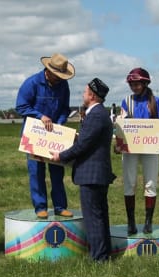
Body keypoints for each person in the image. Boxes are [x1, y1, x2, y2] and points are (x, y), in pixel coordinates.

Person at [51, 78, 116, 262]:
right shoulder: (99, 114)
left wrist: (60, 156)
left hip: (92, 175)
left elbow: (82, 146)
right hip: (97, 174)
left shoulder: (95, 115)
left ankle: (99, 258)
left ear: (92, 95)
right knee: (100, 216)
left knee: (93, 218)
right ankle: (104, 253)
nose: (82, 94)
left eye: (85, 92)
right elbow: (88, 140)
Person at [16, 53, 75, 219]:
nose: (59, 79)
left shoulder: (63, 86)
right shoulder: (32, 83)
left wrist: (61, 123)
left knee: (57, 171)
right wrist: (40, 116)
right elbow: (20, 106)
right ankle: (40, 207)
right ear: (48, 71)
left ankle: (60, 206)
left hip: (55, 136)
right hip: (34, 135)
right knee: (36, 172)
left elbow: (65, 108)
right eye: (57, 76)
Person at [116, 67, 159, 235]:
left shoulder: (156, 101)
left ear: (145, 83)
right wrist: (117, 142)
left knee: (150, 183)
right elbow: (120, 125)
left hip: (150, 147)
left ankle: (148, 222)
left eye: (137, 84)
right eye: (132, 84)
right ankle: (131, 222)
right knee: (129, 183)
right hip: (130, 147)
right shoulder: (126, 101)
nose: (134, 87)